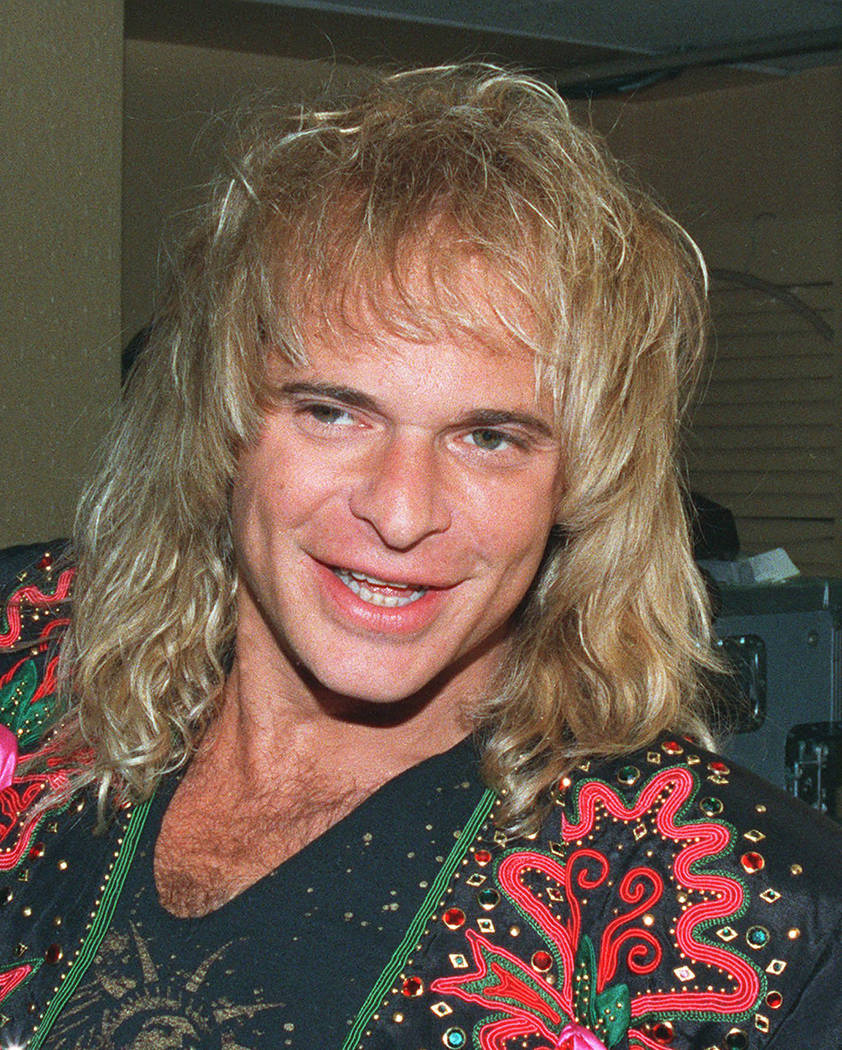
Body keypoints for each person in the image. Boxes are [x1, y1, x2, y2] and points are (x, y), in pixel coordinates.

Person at [1, 64, 840, 1050]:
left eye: (489, 437)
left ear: (583, 480)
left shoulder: (750, 918)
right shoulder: (26, 652)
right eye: (332, 412)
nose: (400, 514)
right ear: (221, 419)